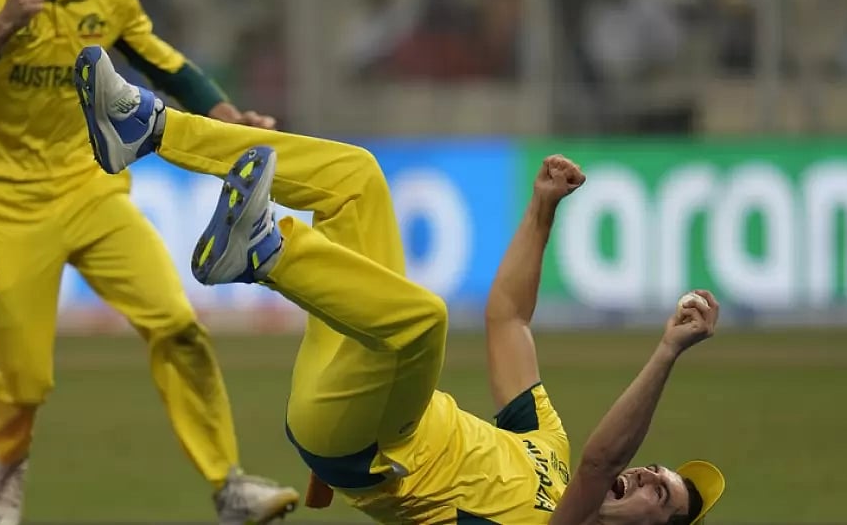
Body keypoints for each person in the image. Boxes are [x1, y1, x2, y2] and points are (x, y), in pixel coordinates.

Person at [72, 45, 728, 524]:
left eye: (660, 494)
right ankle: (149, 127)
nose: (646, 474)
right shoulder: (547, 449)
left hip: (362, 446)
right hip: (352, 387)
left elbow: (600, 461)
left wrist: (667, 351)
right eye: (658, 471)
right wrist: (540, 210)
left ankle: (266, 252)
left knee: (423, 321)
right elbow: (507, 318)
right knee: (356, 180)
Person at [0, 0, 298, 525]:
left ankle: (229, 486)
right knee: (27, 381)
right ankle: (3, 473)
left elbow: (167, 65)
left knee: (179, 324)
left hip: (92, 195)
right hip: (5, 204)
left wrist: (230, 117)